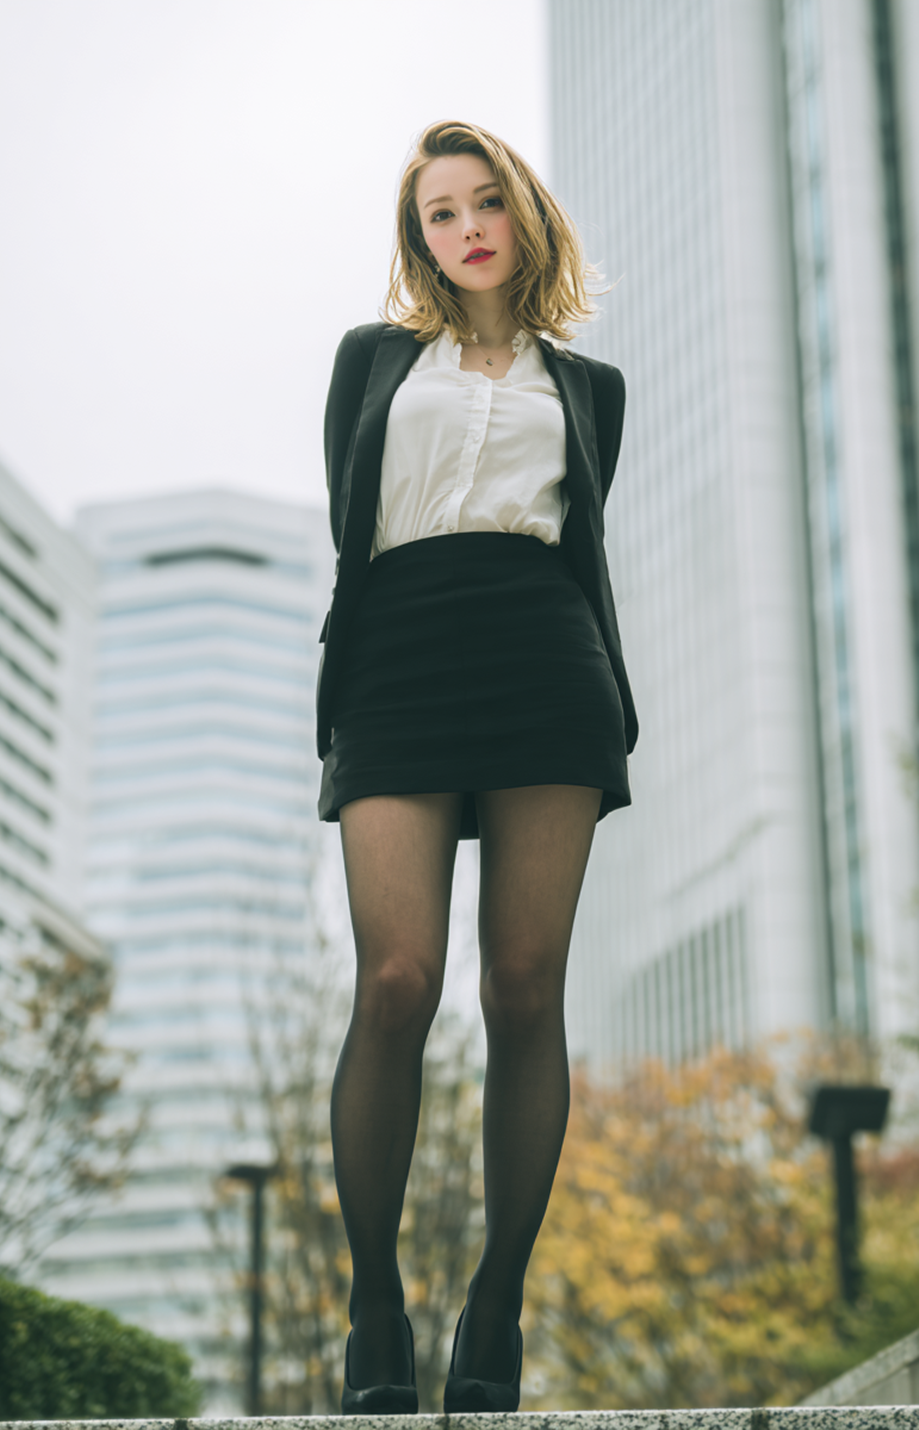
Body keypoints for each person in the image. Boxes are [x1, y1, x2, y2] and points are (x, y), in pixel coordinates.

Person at [316, 119, 638, 1415]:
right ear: (421, 242)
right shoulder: (374, 360)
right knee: (395, 979)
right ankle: (373, 1303)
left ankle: (495, 1304)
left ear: (524, 212)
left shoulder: (591, 388)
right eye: (439, 214)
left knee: (523, 985)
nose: (466, 229)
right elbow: (351, 525)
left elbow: (580, 544)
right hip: (400, 652)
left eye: (485, 200)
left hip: (544, 661)